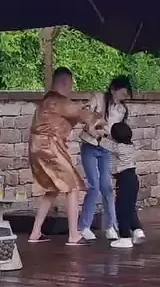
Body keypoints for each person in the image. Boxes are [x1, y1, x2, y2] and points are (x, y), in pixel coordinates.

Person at [28, 67, 102, 246]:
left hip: (38, 147)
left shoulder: (47, 101)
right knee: (72, 186)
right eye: (70, 84)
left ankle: (35, 232)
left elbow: (73, 114)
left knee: (53, 188)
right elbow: (82, 114)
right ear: (64, 82)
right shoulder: (58, 101)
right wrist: (99, 119)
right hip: (49, 148)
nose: (71, 88)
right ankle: (74, 235)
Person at [78, 75, 133, 241]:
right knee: (93, 185)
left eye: (126, 93)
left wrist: (107, 135)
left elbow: (117, 132)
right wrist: (93, 124)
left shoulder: (122, 110)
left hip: (106, 148)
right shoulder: (99, 98)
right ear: (113, 89)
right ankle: (84, 227)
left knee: (107, 187)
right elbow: (85, 113)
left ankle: (111, 226)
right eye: (122, 92)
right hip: (90, 145)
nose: (124, 96)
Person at [109, 119, 145, 251]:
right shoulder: (131, 146)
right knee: (129, 207)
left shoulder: (117, 148)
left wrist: (98, 132)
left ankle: (125, 238)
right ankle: (137, 230)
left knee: (121, 209)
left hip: (124, 179)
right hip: (133, 178)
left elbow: (100, 142)